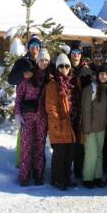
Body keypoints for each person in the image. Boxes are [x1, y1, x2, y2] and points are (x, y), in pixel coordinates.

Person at [14, 49, 50, 186]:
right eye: (41, 60)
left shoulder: (49, 77)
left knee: (39, 147)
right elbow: (19, 97)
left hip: (42, 118)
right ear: (37, 61)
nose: (44, 62)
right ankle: (24, 176)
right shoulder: (28, 76)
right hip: (28, 117)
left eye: (46, 60)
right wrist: (17, 114)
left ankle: (38, 175)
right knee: (26, 146)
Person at [45, 53, 77, 191]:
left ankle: (66, 178)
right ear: (57, 68)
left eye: (67, 66)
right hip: (58, 124)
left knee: (69, 153)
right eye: (61, 66)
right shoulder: (53, 84)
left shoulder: (71, 83)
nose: (64, 69)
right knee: (59, 153)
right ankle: (57, 179)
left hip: (70, 124)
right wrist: (57, 123)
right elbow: (50, 106)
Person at [80, 64, 107, 188]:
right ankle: (88, 178)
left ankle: (97, 177)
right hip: (90, 129)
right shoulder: (90, 89)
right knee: (91, 154)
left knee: (99, 154)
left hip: (101, 128)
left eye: (106, 74)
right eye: (101, 74)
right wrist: (86, 129)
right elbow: (85, 110)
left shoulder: (106, 88)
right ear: (97, 75)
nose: (104, 76)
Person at [69, 42, 93, 179]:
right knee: (68, 141)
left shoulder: (86, 70)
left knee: (80, 142)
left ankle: (78, 170)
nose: (76, 56)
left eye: (78, 53)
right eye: (73, 53)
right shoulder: (66, 67)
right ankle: (67, 168)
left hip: (82, 111)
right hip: (69, 110)